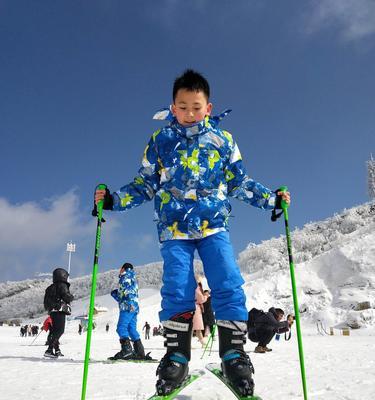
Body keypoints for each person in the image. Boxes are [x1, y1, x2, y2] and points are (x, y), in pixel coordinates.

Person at [94, 69, 290, 396]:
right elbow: (144, 185)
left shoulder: (223, 141)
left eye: (196, 107)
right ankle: (176, 358)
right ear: (173, 107)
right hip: (174, 228)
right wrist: (113, 199)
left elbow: (239, 183)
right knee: (176, 286)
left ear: (208, 108)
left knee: (227, 280)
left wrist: (272, 199)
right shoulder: (160, 142)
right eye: (182, 106)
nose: (189, 113)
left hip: (213, 224)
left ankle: (233, 354)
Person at [109, 262, 148, 360]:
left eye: (120, 268)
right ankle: (140, 351)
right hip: (134, 307)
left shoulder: (125, 277)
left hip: (127, 306)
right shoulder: (133, 278)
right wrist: (117, 295)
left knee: (121, 328)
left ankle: (127, 351)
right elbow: (128, 292)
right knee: (131, 329)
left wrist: (122, 297)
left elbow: (127, 292)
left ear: (123, 269)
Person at [43, 268, 74, 358]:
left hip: (52, 311)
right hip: (59, 310)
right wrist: (71, 297)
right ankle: (49, 350)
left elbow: (45, 302)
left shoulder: (49, 288)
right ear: (63, 276)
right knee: (60, 330)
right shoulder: (62, 285)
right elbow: (66, 297)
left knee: (54, 331)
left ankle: (57, 350)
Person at [192, 281, 207, 347]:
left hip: (189, 307)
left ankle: (187, 344)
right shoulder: (197, 288)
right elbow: (201, 299)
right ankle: (203, 343)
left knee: (191, 327)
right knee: (198, 327)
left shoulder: (189, 287)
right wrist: (206, 296)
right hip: (196, 308)